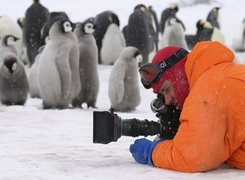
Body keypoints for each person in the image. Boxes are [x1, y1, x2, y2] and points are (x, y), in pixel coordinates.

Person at [129, 41, 245, 172]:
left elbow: (193, 157)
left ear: (177, 73)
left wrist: (152, 152)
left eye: (166, 89)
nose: (167, 101)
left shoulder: (208, 88)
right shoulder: (220, 74)